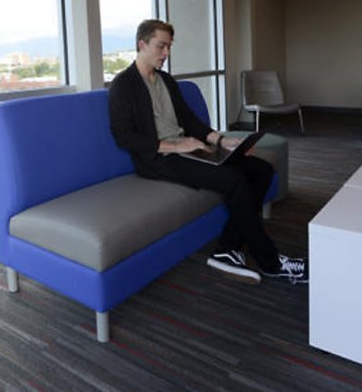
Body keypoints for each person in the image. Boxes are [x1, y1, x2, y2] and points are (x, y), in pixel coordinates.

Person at [109, 19, 308, 284]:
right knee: (235, 181)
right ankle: (271, 262)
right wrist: (178, 146)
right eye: (161, 46)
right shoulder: (123, 85)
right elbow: (125, 136)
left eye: (169, 47)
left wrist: (221, 140)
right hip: (159, 159)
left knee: (260, 168)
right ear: (141, 44)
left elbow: (189, 120)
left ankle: (227, 248)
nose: (166, 53)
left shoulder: (166, 80)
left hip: (188, 148)